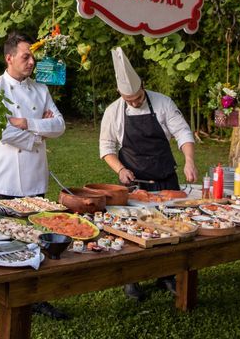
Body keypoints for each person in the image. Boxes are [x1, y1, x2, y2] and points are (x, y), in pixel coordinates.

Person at [0, 32, 67, 338]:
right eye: (26, 56)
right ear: (9, 58)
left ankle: (33, 298)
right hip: (3, 179)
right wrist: (40, 133)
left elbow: (60, 126)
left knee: (34, 240)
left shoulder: (41, 89)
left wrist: (26, 123)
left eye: (32, 56)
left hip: (35, 179)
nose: (32, 61)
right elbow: (0, 132)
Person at [99, 46, 197, 301]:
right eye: (128, 99)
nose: (133, 102)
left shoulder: (163, 102)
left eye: (137, 98)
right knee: (134, 231)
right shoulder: (113, 111)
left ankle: (166, 275)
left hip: (166, 178)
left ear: (143, 86)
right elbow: (106, 148)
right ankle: (132, 279)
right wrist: (120, 169)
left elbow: (183, 133)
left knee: (172, 229)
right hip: (135, 183)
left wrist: (189, 160)